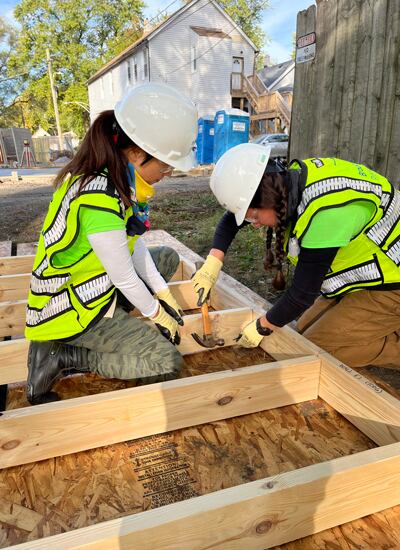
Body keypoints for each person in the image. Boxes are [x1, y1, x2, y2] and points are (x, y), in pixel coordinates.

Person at [26, 82, 198, 404]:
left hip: (89, 284)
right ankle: (63, 356)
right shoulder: (99, 198)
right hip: (69, 307)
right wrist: (156, 314)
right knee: (166, 362)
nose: (168, 172)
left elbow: (132, 246)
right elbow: (122, 275)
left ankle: (115, 314)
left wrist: (163, 293)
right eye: (166, 164)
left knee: (166, 259)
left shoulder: (116, 178)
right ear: (136, 153)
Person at [192, 143, 400, 369]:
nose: (254, 225)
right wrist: (213, 262)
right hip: (361, 276)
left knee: (318, 348)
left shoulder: (327, 215)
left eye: (253, 217)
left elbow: (302, 294)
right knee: (300, 332)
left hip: (391, 284)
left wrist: (262, 325)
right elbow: (232, 220)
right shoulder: (286, 185)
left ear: (268, 199)